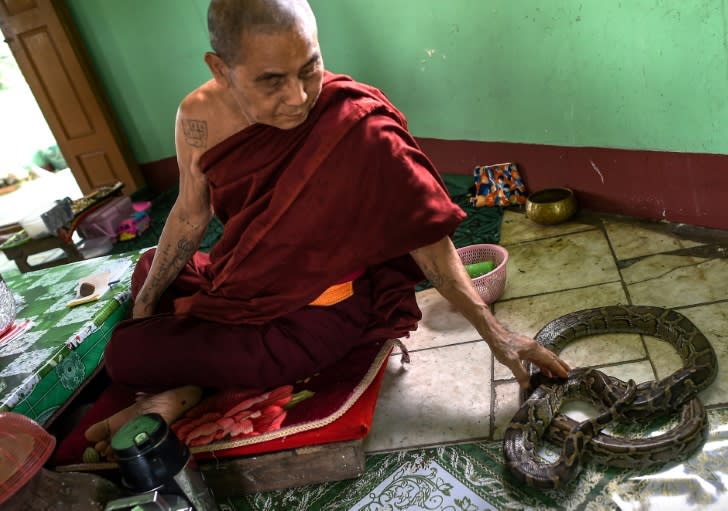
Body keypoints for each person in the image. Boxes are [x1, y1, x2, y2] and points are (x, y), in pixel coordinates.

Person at [85, 0, 570, 454]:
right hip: (246, 285)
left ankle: (188, 385)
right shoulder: (197, 117)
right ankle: (192, 381)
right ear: (219, 69)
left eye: (309, 68)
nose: (297, 98)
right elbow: (191, 213)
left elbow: (428, 240)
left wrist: (497, 334)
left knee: (125, 357)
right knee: (152, 268)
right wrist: (146, 302)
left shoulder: (355, 124)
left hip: (310, 321)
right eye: (271, 81)